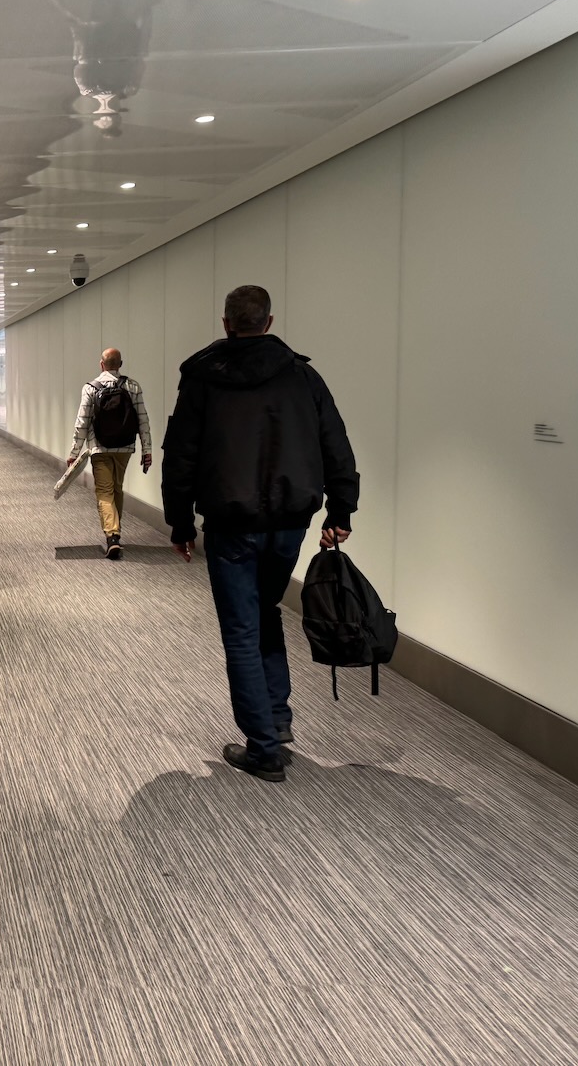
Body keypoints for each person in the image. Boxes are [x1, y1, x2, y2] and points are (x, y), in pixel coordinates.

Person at [161, 285, 359, 784]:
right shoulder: (304, 378)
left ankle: (264, 748)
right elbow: (336, 446)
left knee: (242, 630)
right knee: (266, 612)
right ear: (268, 322)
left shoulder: (203, 380)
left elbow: (180, 455)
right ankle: (278, 717)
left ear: (227, 323)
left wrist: (180, 522)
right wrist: (342, 510)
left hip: (231, 525)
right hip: (291, 523)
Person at [66, 348, 152, 559]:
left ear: (101, 364)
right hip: (125, 447)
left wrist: (74, 452)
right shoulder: (133, 386)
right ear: (120, 364)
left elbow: (82, 423)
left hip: (99, 448)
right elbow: (143, 419)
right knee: (117, 488)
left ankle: (112, 536)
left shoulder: (90, 388)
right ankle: (116, 533)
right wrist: (147, 450)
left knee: (104, 491)